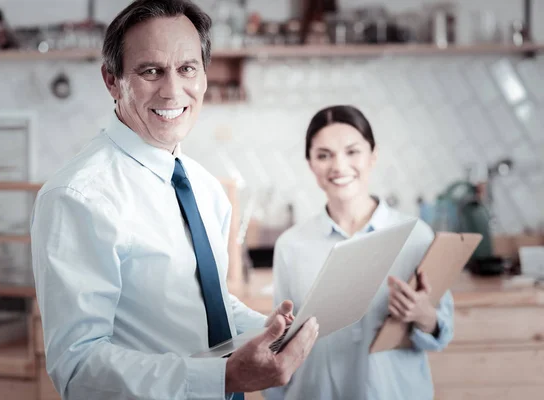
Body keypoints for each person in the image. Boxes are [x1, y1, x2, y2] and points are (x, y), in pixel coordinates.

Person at [30, 1, 318, 399]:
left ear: (203, 76)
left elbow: (208, 308)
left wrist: (273, 330)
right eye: (151, 71)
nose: (172, 90)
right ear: (112, 80)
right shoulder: (78, 196)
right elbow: (78, 367)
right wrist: (223, 379)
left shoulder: (204, 187)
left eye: (187, 69)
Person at [263, 105, 454, 400]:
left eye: (352, 152)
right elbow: (279, 342)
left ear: (372, 156)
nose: (339, 166)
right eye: (324, 155)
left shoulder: (416, 235)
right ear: (311, 164)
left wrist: (423, 315)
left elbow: (441, 332)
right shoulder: (292, 245)